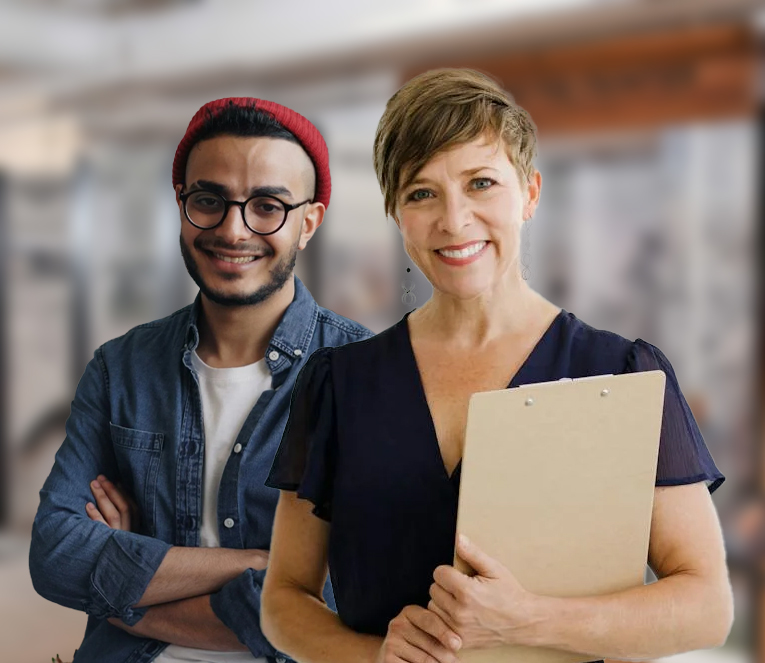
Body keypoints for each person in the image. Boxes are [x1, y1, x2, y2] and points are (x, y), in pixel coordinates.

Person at [260, 69, 734, 663]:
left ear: (530, 192)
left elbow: (705, 606)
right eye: (421, 193)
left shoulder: (621, 374)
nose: (454, 221)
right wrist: (371, 657)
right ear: (396, 214)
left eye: (481, 183)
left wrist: (532, 621)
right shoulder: (339, 384)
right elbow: (284, 597)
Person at [29, 98, 372, 663]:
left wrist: (125, 585)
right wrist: (261, 564)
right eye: (209, 201)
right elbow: (54, 555)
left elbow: (347, 597)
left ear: (309, 223)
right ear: (183, 207)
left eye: (267, 206)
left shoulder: (364, 374)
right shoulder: (119, 367)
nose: (233, 230)